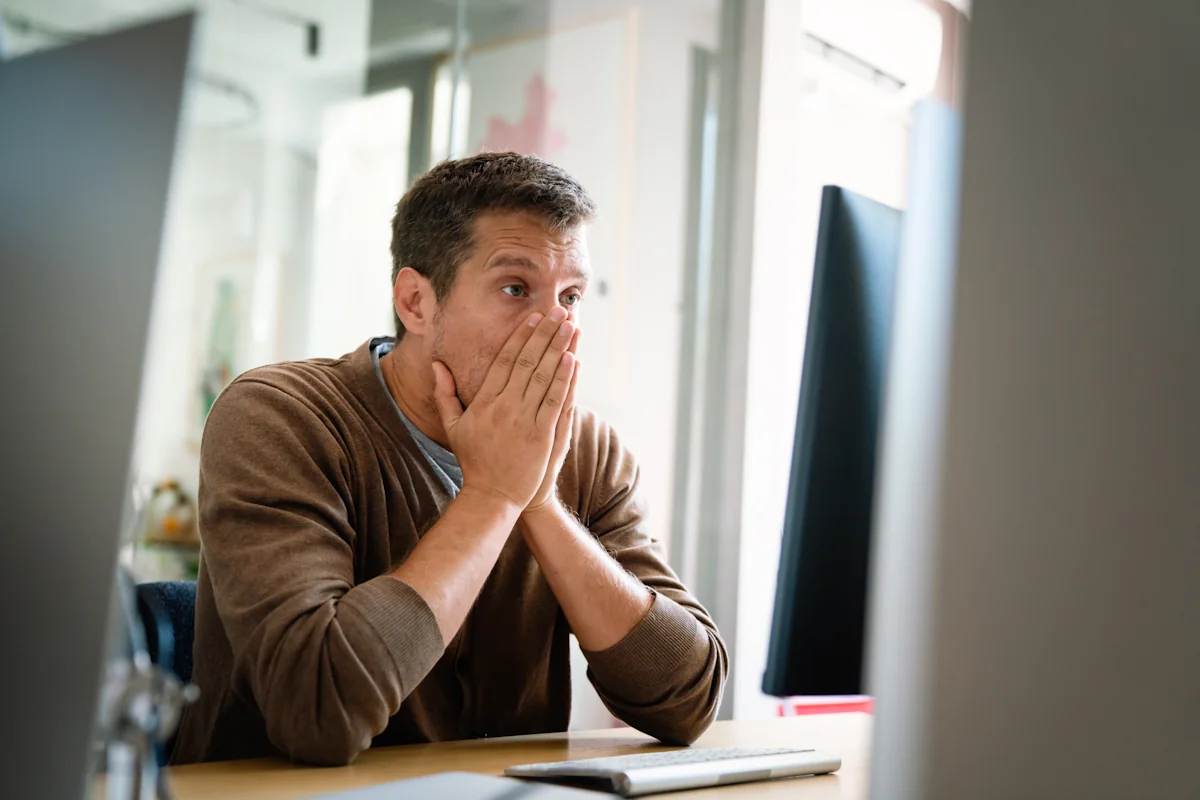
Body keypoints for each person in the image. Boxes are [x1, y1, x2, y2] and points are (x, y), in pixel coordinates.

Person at [171, 153, 728, 766]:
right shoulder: (279, 416)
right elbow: (316, 710)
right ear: (415, 302)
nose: (557, 328)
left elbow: (689, 702)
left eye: (570, 296)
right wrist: (493, 496)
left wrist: (538, 500)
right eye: (515, 289)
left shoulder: (587, 450)